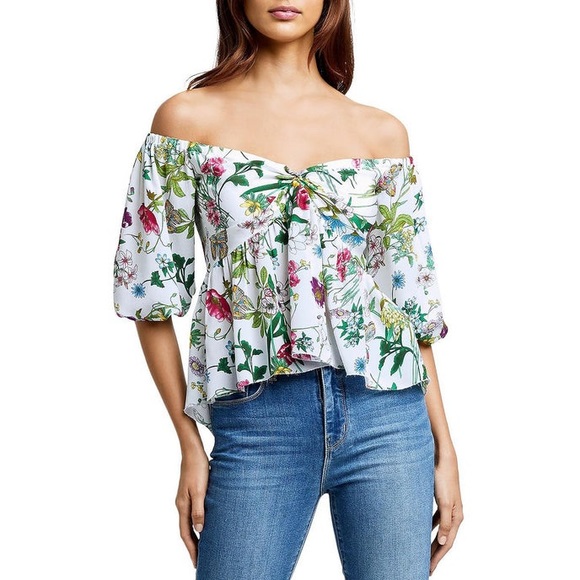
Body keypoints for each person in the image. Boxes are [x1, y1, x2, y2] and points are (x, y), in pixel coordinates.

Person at [113, 1, 463, 578]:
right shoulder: (185, 121)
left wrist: (445, 449)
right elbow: (149, 295)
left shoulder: (381, 133)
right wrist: (188, 443)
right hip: (257, 422)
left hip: (389, 421)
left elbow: (410, 310)